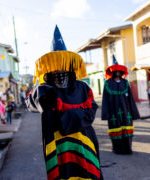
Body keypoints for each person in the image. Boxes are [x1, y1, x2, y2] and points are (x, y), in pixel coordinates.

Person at [26, 25, 103, 180]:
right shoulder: (44, 90)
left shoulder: (82, 87)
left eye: (63, 70)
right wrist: (40, 96)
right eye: (56, 70)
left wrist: (69, 117)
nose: (60, 75)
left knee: (88, 173)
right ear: (50, 71)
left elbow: (92, 110)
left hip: (84, 141)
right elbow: (32, 103)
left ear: (70, 69)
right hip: (58, 143)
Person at [101, 55, 140, 154]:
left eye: (119, 71)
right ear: (113, 72)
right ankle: (117, 149)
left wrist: (133, 112)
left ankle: (128, 148)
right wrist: (106, 113)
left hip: (126, 110)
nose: (117, 73)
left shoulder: (125, 82)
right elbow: (105, 100)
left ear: (121, 72)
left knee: (126, 128)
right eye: (116, 71)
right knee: (116, 128)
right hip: (113, 111)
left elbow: (131, 99)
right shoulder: (107, 83)